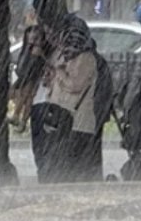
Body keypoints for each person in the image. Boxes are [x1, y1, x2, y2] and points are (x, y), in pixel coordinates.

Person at [42, 15, 103, 183]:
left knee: (74, 170)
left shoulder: (85, 58)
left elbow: (75, 85)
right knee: (60, 169)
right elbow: (58, 85)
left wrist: (59, 71)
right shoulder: (64, 56)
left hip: (78, 123)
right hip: (62, 120)